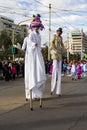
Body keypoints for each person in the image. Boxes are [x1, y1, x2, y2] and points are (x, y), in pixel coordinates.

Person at [22, 14, 46, 103]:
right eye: (35, 26)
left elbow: (39, 45)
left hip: (38, 55)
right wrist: (33, 45)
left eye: (37, 26)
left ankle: (36, 94)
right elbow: (28, 44)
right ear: (32, 27)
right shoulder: (30, 35)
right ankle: (29, 94)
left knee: (38, 73)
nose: (36, 28)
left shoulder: (39, 36)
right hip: (31, 56)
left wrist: (40, 46)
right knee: (30, 73)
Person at [49, 27, 64, 96]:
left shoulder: (61, 38)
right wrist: (53, 49)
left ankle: (58, 91)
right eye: (58, 31)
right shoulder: (54, 36)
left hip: (59, 55)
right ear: (57, 32)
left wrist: (63, 49)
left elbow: (62, 44)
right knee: (55, 70)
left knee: (59, 72)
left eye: (60, 32)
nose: (59, 33)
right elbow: (51, 43)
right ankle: (52, 88)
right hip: (55, 54)